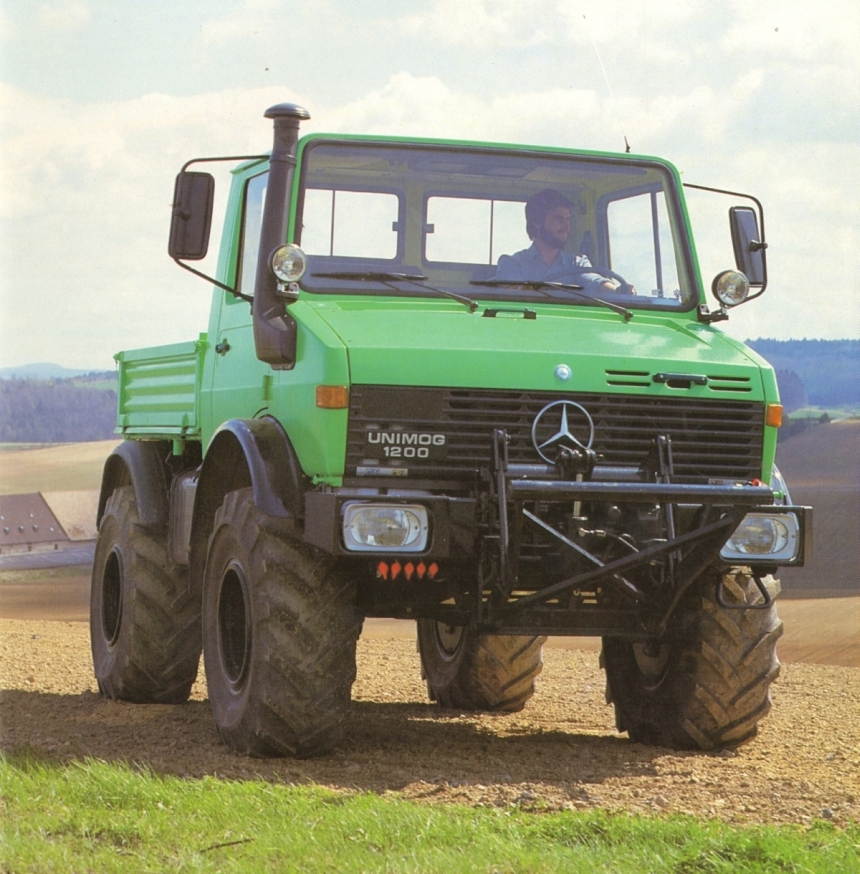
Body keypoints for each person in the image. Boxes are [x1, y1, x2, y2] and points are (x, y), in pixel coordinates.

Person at [494, 189, 631, 293]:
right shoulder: (512, 264)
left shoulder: (577, 263)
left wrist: (618, 291)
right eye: (559, 219)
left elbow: (594, 282)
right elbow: (513, 297)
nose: (567, 226)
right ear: (537, 221)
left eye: (568, 219)